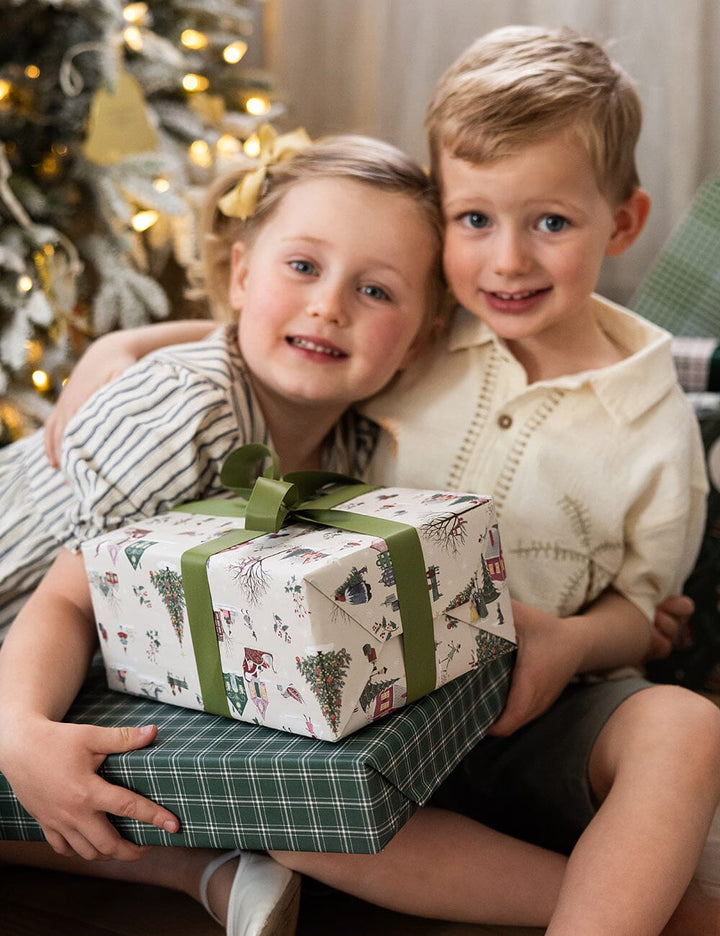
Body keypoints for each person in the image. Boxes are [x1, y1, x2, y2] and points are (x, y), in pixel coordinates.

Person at [40, 26, 720, 936]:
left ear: (622, 223)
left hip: (548, 703)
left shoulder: (653, 421)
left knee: (685, 727)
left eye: (550, 222)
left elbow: (647, 611)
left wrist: (570, 643)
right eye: (475, 221)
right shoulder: (426, 337)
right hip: (372, 697)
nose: (508, 261)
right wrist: (127, 344)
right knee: (286, 816)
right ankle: (651, 910)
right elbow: (291, 335)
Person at [0, 131, 448, 936]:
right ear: (242, 275)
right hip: (24, 613)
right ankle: (197, 868)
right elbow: (67, 598)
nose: (329, 305)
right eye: (303, 267)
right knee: (40, 763)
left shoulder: (351, 447)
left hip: (78, 649)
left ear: (418, 339)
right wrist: (20, 732)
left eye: (375, 291)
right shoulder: (188, 412)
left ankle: (207, 865)